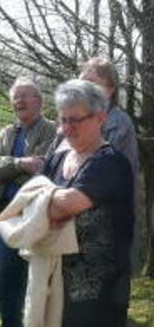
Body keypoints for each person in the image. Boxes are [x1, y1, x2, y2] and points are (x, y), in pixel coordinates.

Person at [43, 79, 133, 326]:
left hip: (98, 290)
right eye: (63, 120)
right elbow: (33, 200)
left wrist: (40, 200)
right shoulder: (57, 160)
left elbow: (67, 205)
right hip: (54, 280)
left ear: (100, 119)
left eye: (75, 120)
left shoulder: (109, 162)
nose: (67, 128)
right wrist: (42, 202)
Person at [0, 77, 56, 327]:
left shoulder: (52, 130)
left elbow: (43, 166)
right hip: (8, 217)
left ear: (39, 101)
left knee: (37, 280)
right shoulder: (6, 132)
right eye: (16, 97)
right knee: (8, 279)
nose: (19, 101)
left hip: (37, 215)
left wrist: (13, 165)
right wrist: (20, 163)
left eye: (26, 96)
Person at [78, 57, 144, 272]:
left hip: (107, 222)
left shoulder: (116, 122)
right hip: (82, 218)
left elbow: (94, 167)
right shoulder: (77, 120)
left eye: (93, 83)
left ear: (111, 89)